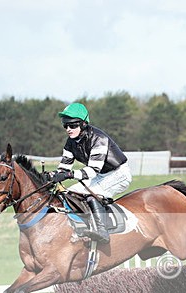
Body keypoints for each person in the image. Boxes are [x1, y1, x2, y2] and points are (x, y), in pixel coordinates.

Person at [49, 102, 132, 243]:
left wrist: (68, 175)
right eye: (65, 126)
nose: (68, 129)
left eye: (73, 125)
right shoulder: (70, 142)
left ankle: (102, 231)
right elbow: (63, 168)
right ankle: (83, 226)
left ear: (83, 124)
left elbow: (93, 170)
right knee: (69, 193)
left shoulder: (98, 139)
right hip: (101, 175)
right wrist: (50, 176)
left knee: (91, 193)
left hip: (118, 174)